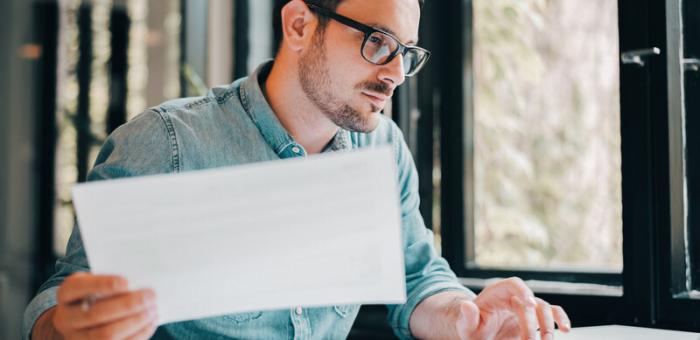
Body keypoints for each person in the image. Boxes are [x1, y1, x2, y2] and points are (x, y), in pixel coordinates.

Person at [24, 0, 571, 339]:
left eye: (406, 52)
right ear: (300, 25)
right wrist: (67, 329)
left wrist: (468, 319)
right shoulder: (166, 145)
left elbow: (416, 278)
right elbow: (64, 299)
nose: (397, 73)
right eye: (378, 43)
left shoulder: (382, 150)